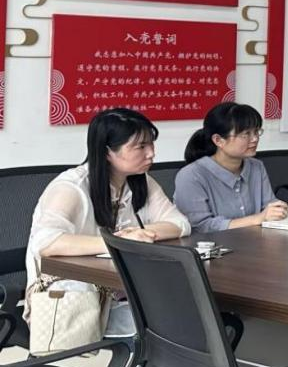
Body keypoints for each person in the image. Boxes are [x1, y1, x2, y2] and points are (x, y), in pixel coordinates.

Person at [25, 108, 191, 335]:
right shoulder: (71, 187)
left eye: (151, 144)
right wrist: (117, 241)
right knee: (168, 323)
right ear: (107, 152)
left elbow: (180, 223)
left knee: (180, 314)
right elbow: (45, 242)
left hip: (118, 288)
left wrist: (138, 233)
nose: (151, 153)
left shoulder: (140, 181)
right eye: (140, 147)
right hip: (67, 299)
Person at [174, 102, 288, 232]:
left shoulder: (256, 167)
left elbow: (270, 206)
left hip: (256, 240)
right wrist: (257, 219)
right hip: (213, 244)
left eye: (256, 132)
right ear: (218, 140)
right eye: (246, 134)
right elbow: (201, 226)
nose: (255, 139)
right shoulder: (191, 175)